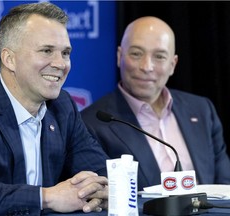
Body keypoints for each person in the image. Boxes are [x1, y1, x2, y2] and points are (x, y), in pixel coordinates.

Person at [0, 2, 109, 215]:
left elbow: (102, 172)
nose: (61, 64)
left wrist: (101, 189)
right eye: (47, 51)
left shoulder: (62, 106)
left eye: (65, 53)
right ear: (9, 59)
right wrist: (47, 197)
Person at [81, 16, 230, 191]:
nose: (146, 66)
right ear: (120, 56)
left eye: (159, 56)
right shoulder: (93, 123)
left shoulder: (202, 110)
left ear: (173, 65)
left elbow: (224, 186)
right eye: (136, 54)